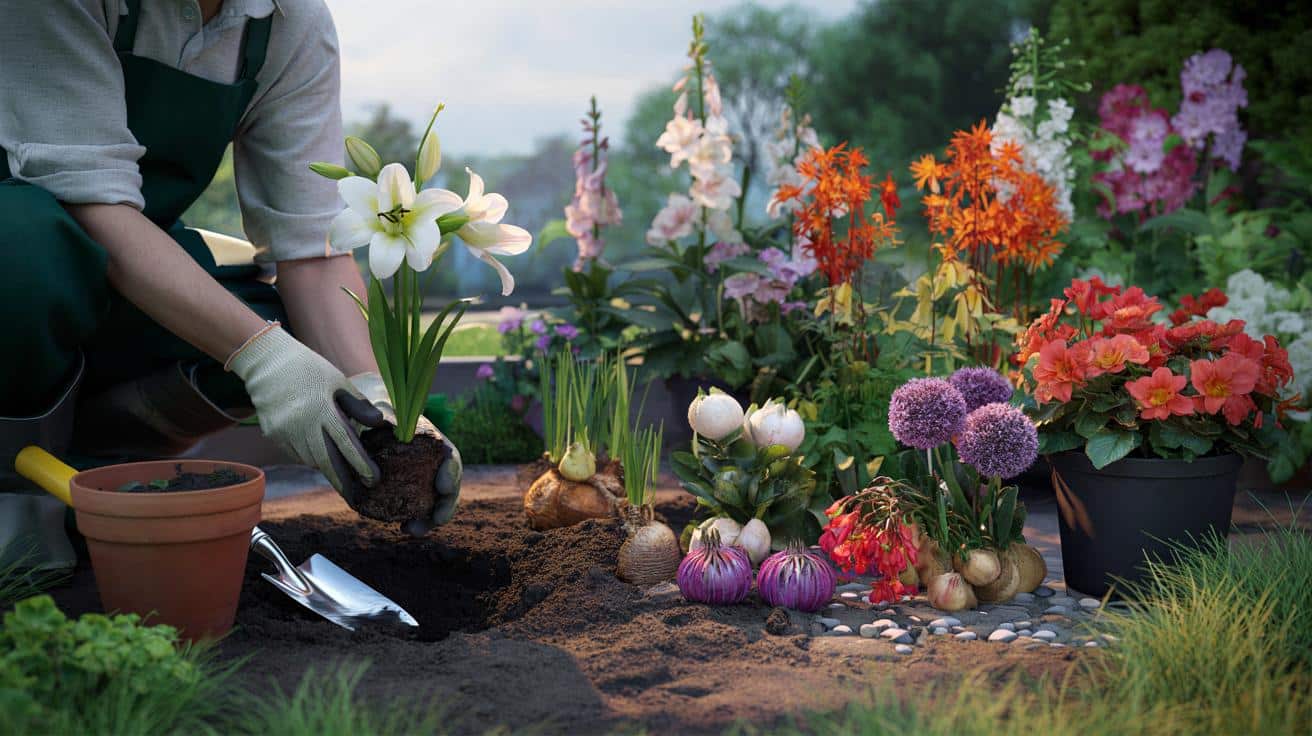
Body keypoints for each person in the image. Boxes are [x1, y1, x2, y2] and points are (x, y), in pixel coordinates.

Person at [0, 0, 461, 567]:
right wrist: (263, 357)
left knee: (282, 324)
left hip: (114, 267)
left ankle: (105, 475)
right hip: (30, 260)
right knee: (19, 247)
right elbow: (90, 204)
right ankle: (14, 495)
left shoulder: (290, 22)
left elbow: (310, 250)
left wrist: (373, 397)